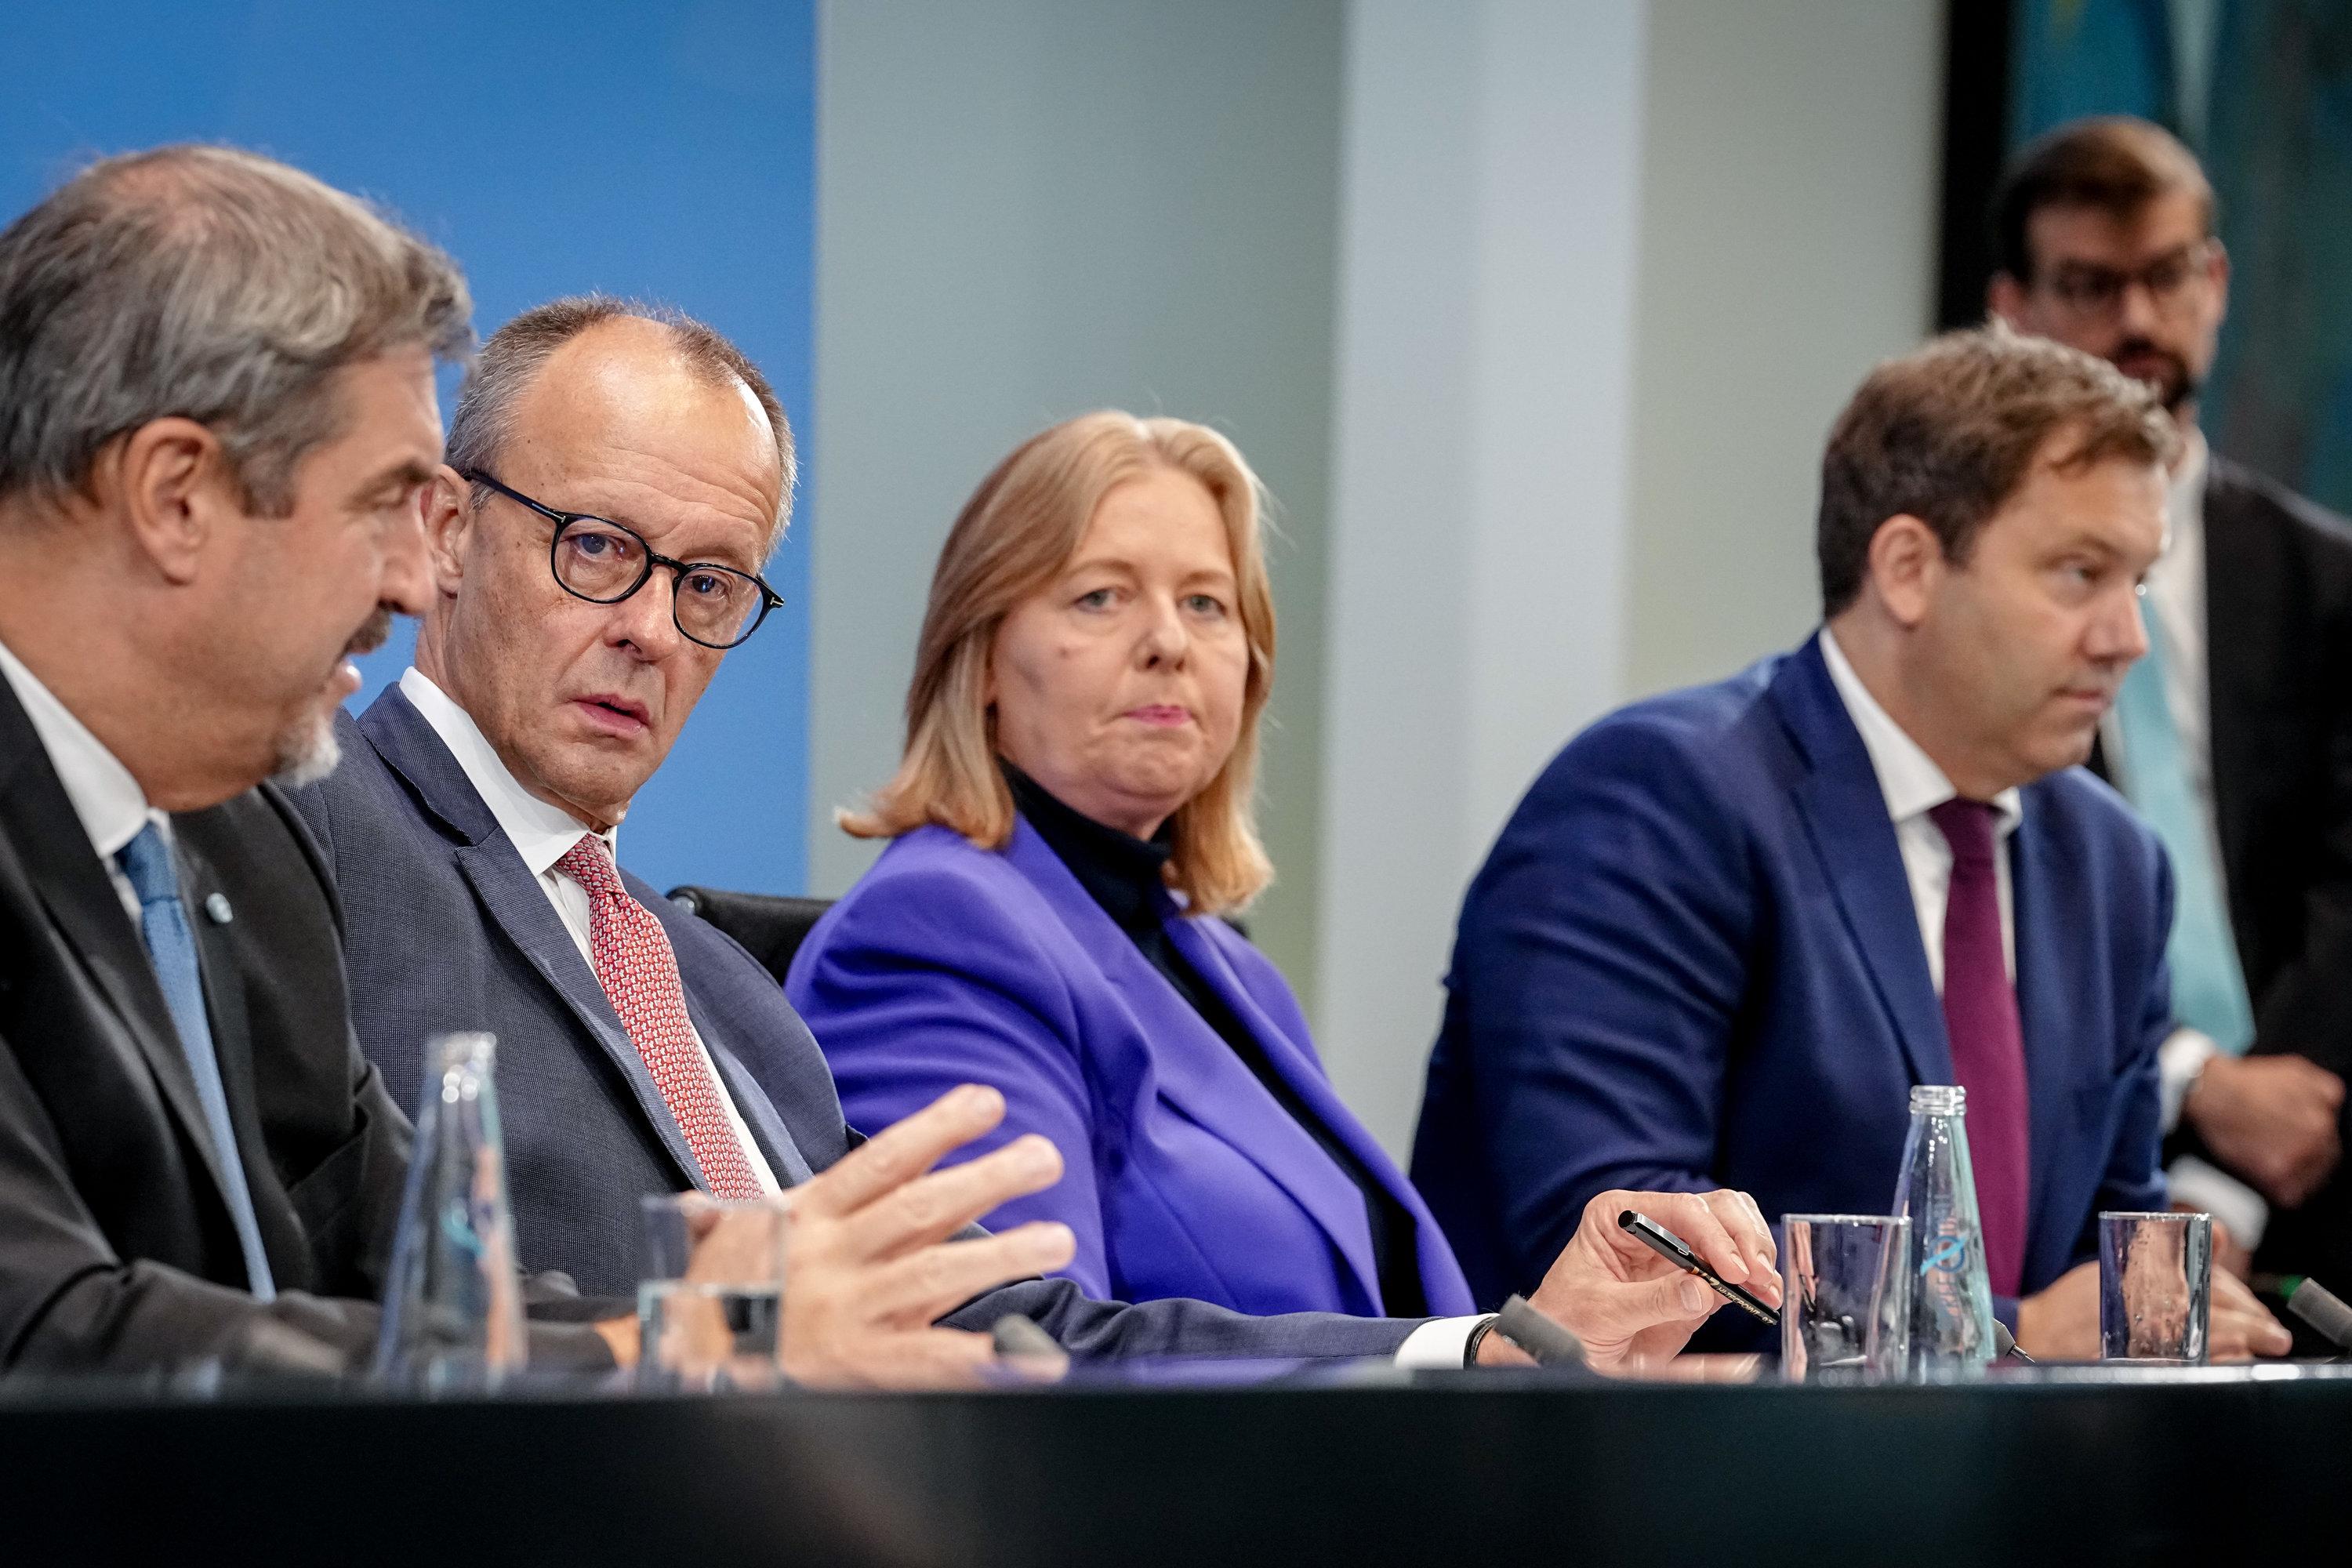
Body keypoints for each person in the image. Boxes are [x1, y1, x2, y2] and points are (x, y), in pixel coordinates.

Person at [296, 295, 1782, 1381]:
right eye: (599, 549)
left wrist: (1481, 1354)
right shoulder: (314, 843)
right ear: (443, 537)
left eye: (711, 587)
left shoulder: (722, 989)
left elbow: (1000, 1335)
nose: (647, 630)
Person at [1409, 326, 2293, 1360]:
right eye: (2079, 573)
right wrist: (2007, 1335)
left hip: (2015, 1495)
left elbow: (2109, 1252)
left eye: (2137, 580)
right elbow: (1627, 1247)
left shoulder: (2113, 866)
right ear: (1909, 568)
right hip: (1656, 1490)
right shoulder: (1660, 798)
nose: (2126, 638)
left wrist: (2157, 1314)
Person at [0, 145, 614, 1373]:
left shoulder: (250, 839)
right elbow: (54, 1337)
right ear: (177, 495)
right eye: (385, 500)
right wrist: (639, 1364)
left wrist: (714, 1333)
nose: (410, 578)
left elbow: (418, 1267)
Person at [786, 412, 1472, 1319]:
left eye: (1206, 603)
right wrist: (1448, 1357)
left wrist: (1551, 1343)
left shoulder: (1230, 966)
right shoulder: (932, 931)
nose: (1170, 642)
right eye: (1101, 597)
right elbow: (1025, 1345)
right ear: (982, 657)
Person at [1988, 116, 2352, 1292]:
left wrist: (2242, 1163)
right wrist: (2197, 1082)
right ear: (2015, 307)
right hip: (2071, 1168)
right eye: (2091, 286)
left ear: (2217, 283)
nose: (2136, 323)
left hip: (2324, 1156)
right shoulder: (1970, 590)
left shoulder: (2328, 580)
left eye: (2165, 277)